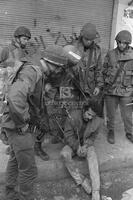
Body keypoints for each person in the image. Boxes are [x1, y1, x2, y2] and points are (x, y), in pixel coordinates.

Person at [0, 26, 50, 160]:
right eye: (24, 38)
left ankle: (37, 147)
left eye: (28, 39)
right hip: (10, 91)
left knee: (34, 118)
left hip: (24, 90)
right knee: (11, 121)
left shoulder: (25, 52)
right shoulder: (6, 51)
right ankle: (13, 147)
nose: (26, 41)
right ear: (16, 38)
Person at [60, 100, 103, 200]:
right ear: (84, 109)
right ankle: (82, 181)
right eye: (88, 114)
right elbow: (68, 135)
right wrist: (77, 146)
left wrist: (86, 145)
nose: (90, 117)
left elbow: (93, 137)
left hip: (86, 145)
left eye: (92, 116)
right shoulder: (72, 116)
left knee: (92, 155)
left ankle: (96, 190)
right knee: (64, 154)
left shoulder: (98, 121)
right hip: (73, 144)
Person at [63, 23, 104, 115]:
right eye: (86, 39)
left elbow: (99, 69)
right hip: (71, 85)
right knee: (68, 112)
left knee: (86, 112)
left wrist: (98, 86)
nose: (88, 42)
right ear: (82, 36)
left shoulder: (97, 50)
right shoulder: (72, 47)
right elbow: (64, 65)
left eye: (91, 40)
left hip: (88, 88)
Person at [103, 30, 133, 144]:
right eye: (119, 42)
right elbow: (104, 70)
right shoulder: (110, 54)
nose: (121, 45)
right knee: (111, 114)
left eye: (124, 43)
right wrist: (106, 82)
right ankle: (111, 131)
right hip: (111, 90)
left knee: (127, 115)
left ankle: (129, 132)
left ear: (128, 44)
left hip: (127, 91)